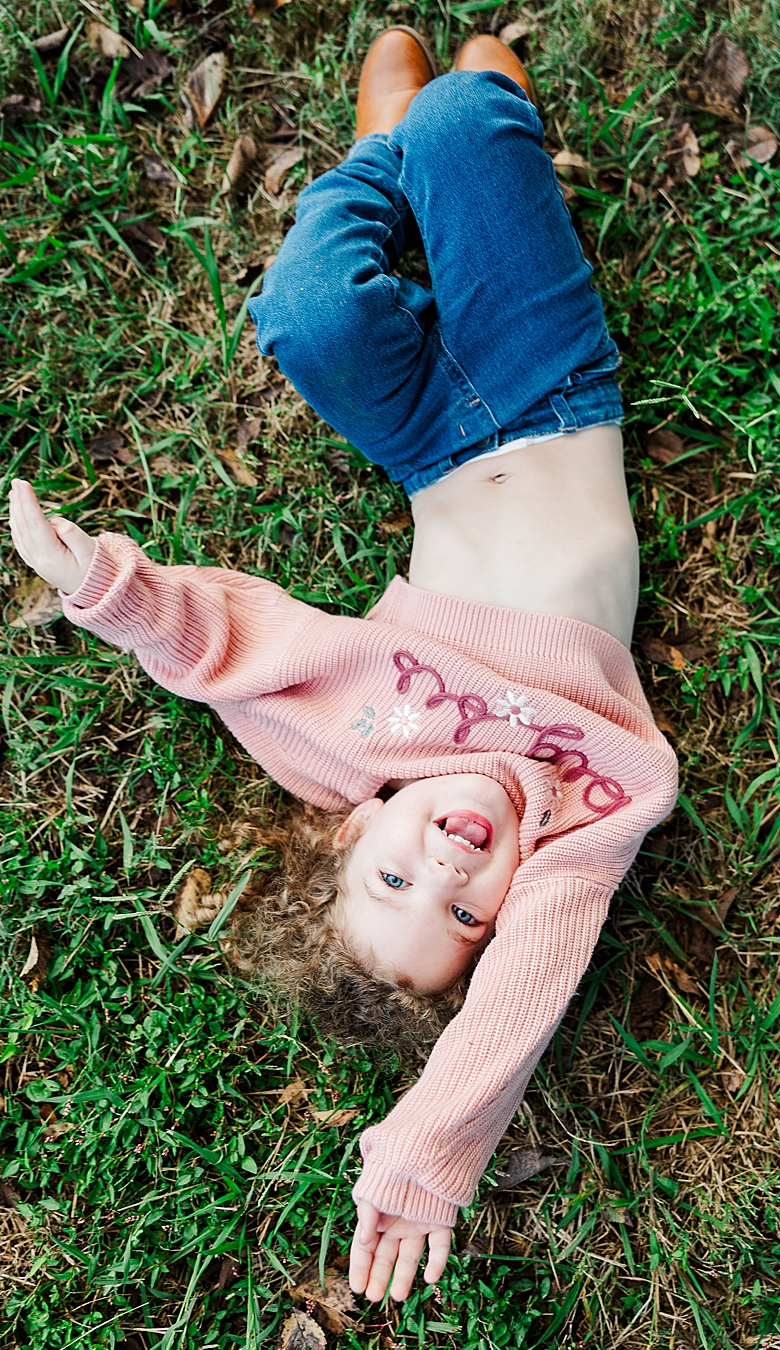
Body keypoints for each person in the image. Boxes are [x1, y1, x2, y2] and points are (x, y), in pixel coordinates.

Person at [8, 27, 681, 1310]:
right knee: (475, 103)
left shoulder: (350, 749)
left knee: (311, 315)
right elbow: (514, 1012)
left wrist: (106, 588)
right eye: (467, 914)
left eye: (394, 875)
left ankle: (380, 154)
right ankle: (452, 136)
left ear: (346, 830)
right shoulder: (582, 818)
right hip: (553, 386)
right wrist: (429, 1152)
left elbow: (222, 653)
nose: (450, 862)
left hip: (428, 443)